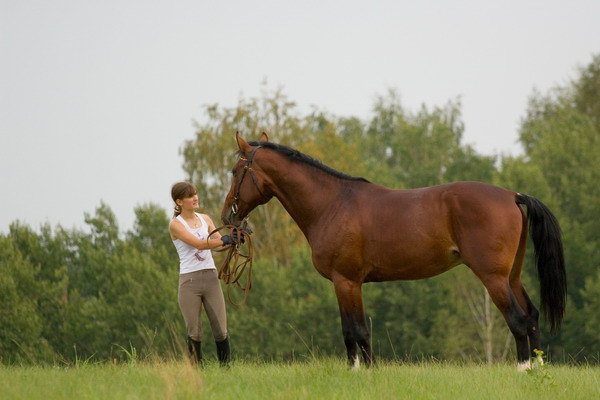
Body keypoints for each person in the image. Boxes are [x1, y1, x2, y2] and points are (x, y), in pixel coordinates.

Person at [169, 181, 235, 366]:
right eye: (190, 196)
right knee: (194, 331)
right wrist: (225, 239)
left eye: (195, 194)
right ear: (179, 201)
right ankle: (197, 371)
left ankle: (226, 369)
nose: (195, 198)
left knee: (221, 330)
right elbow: (198, 244)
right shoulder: (176, 225)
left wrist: (235, 238)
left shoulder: (205, 219)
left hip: (211, 278)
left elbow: (219, 243)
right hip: (189, 282)